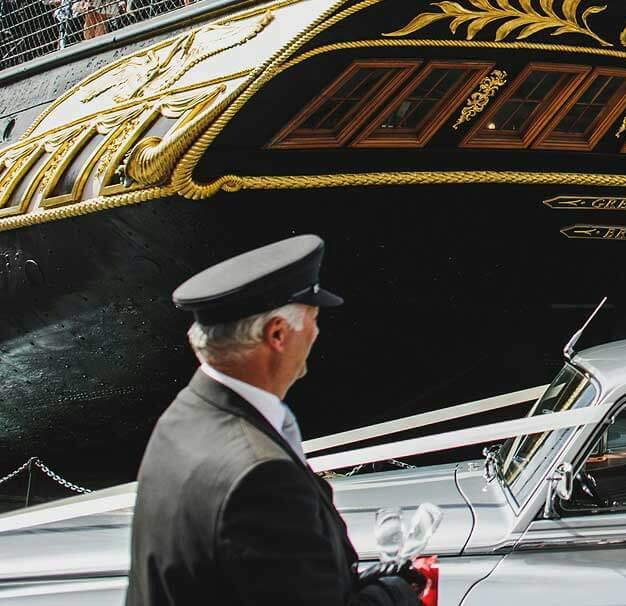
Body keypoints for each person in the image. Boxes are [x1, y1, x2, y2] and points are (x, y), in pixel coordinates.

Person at [125, 235, 427, 606]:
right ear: (278, 334)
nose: (316, 334)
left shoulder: (181, 418)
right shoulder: (262, 479)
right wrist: (397, 595)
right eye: (313, 320)